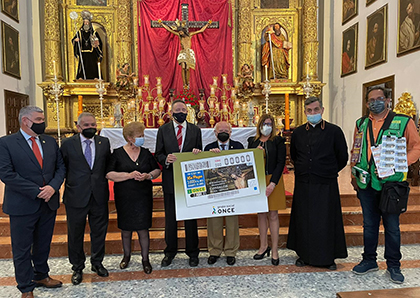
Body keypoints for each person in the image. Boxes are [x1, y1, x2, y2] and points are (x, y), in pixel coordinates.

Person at [350, 86, 420, 284]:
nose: (376, 102)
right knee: (369, 225)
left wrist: (402, 161)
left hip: (391, 184)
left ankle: (393, 265)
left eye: (380, 98)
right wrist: (352, 173)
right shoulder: (361, 123)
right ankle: (369, 260)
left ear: (387, 101)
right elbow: (356, 149)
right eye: (371, 99)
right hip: (366, 183)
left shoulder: (403, 121)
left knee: (392, 226)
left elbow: (417, 147)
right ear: (366, 104)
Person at [0, 106, 66, 298]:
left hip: (48, 202)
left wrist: (52, 188)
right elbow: (6, 173)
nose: (42, 123)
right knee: (21, 248)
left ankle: (41, 275)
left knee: (43, 244)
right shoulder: (6, 143)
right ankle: (25, 287)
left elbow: (60, 167)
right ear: (25, 121)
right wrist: (37, 192)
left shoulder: (49, 141)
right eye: (38, 119)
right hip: (22, 204)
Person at [287, 97, 348, 270]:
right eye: (309, 111)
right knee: (304, 219)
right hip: (304, 182)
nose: (312, 113)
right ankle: (304, 255)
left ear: (322, 110)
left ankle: (327, 257)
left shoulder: (334, 131)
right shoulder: (298, 132)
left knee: (325, 220)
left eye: (315, 110)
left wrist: (327, 169)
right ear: (305, 112)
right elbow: (294, 155)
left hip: (325, 182)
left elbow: (342, 156)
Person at [60, 112, 111, 285]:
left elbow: (107, 165)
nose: (91, 128)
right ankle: (77, 267)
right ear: (78, 127)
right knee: (75, 234)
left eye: (93, 125)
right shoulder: (67, 144)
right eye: (87, 125)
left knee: (99, 232)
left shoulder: (104, 142)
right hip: (76, 195)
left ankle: (97, 263)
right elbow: (62, 167)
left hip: (99, 194)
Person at [106, 122, 161, 274]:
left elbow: (157, 169)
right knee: (126, 229)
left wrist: (149, 176)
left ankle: (145, 259)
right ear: (129, 138)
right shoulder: (117, 153)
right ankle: (126, 256)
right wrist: (128, 175)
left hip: (143, 195)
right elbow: (109, 173)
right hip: (125, 195)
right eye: (139, 136)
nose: (142, 138)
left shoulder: (145, 153)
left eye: (142, 135)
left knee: (143, 228)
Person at [155, 99, 202, 267]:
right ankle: (170, 251)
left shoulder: (195, 130)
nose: (181, 112)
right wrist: (165, 159)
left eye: (183, 109)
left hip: (191, 179)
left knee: (191, 218)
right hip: (170, 177)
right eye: (178, 109)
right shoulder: (163, 130)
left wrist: (197, 152)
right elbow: (158, 153)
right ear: (171, 112)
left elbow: (200, 152)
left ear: (187, 112)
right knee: (171, 217)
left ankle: (193, 252)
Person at [248, 114, 286, 266]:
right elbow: (247, 161)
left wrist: (273, 183)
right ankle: (263, 246)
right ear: (259, 125)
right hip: (257, 181)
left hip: (273, 180)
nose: (266, 126)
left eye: (269, 123)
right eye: (264, 123)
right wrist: (254, 152)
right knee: (261, 214)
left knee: (273, 214)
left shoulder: (278, 141)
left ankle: (275, 249)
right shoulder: (252, 141)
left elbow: (280, 162)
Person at [205, 121, 244, 266]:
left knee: (232, 220)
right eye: (220, 130)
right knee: (214, 220)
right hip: (216, 189)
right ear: (215, 133)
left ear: (231, 132)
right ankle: (214, 250)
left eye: (226, 130)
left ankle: (230, 251)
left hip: (232, 189)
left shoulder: (238, 146)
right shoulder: (209, 148)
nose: (223, 132)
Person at [158, 19, 211, 88]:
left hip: (189, 52)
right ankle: (184, 84)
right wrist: (162, 24)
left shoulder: (189, 35)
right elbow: (170, 30)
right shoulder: (179, 36)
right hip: (183, 53)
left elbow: (200, 30)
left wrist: (207, 24)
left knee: (187, 68)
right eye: (179, 32)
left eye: (181, 32)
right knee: (183, 67)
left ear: (183, 31)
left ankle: (187, 83)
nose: (180, 33)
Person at [72, 10, 103, 80]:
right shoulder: (79, 32)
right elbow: (73, 40)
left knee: (93, 64)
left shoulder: (94, 33)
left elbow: (99, 43)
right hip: (83, 53)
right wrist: (76, 40)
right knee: (82, 65)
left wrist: (97, 43)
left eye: (87, 22)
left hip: (92, 53)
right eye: (84, 22)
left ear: (89, 23)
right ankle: (81, 77)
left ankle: (95, 76)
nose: (86, 23)